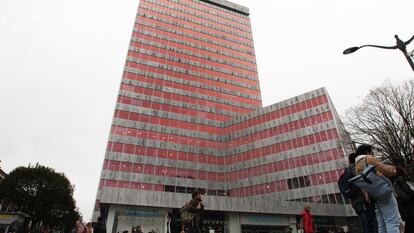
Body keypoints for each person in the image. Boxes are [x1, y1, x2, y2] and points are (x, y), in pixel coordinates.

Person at [355, 144, 401, 233]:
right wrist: (393, 168)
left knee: (382, 224)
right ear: (367, 151)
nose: (372, 153)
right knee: (392, 221)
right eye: (371, 151)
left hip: (373, 195)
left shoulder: (357, 165)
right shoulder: (368, 159)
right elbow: (386, 171)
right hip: (384, 192)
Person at [347, 153, 378, 233]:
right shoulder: (355, 168)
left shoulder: (347, 170)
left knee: (363, 222)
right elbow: (362, 182)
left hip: (355, 202)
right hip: (362, 199)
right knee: (369, 221)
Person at [390, 167, 414, 233]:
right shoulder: (399, 179)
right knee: (411, 223)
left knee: (409, 224)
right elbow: (407, 190)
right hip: (409, 205)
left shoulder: (391, 181)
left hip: (402, 206)